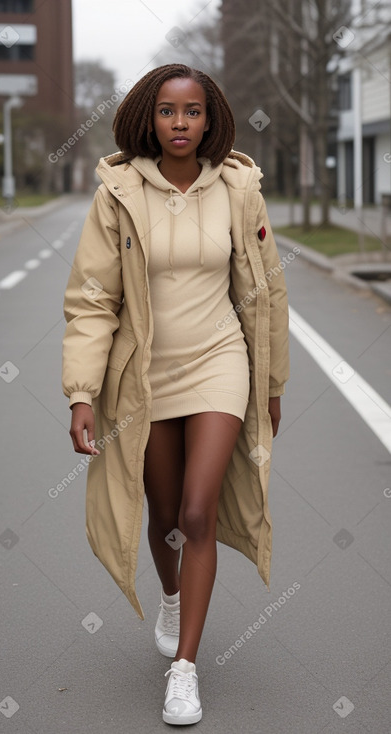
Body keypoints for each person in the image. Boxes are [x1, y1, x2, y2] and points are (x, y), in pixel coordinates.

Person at [62, 63, 289, 726]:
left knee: (197, 512)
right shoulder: (119, 192)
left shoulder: (239, 188)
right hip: (144, 373)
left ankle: (184, 670)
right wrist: (82, 393)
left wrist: (270, 380)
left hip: (219, 361)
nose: (181, 124)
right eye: (168, 111)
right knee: (162, 512)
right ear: (149, 117)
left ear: (210, 118)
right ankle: (170, 595)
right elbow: (93, 299)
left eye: (192, 112)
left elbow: (267, 286)